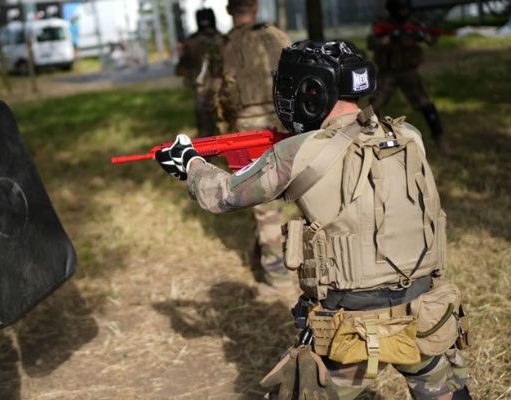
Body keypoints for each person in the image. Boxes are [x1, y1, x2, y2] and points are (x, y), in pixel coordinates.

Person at [155, 40, 471, 399]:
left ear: (311, 91)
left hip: (353, 327)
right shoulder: (409, 135)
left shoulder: (297, 151)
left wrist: (189, 164)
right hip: (426, 312)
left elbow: (223, 194)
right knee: (444, 385)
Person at [211, 0, 294, 287]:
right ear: (256, 8)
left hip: (248, 126)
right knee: (298, 186)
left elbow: (220, 90)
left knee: (263, 196)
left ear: (229, 10)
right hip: (285, 120)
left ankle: (275, 269)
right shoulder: (278, 35)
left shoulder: (225, 45)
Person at [368, 0, 447, 152]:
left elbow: (432, 40)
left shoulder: (414, 23)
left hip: (408, 72)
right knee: (373, 107)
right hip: (387, 73)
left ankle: (440, 140)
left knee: (426, 104)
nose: (403, 11)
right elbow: (372, 43)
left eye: (405, 8)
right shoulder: (382, 23)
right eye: (400, 8)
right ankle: (371, 139)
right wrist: (390, 37)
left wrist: (421, 35)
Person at [175, 8, 224, 137]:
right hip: (224, 87)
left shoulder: (190, 42)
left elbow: (180, 70)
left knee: (204, 127)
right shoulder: (224, 39)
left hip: (201, 90)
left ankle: (206, 155)